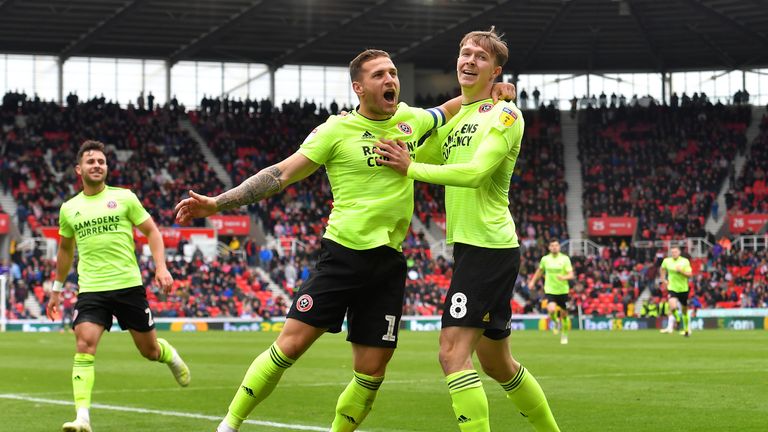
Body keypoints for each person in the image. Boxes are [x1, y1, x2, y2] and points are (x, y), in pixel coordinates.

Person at [174, 49, 515, 432]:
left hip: (388, 263)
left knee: (371, 372)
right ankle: (229, 424)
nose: (390, 81)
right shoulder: (335, 130)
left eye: (392, 73)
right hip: (343, 255)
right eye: (379, 76)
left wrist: (495, 90)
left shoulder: (410, 119)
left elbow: (454, 107)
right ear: (358, 88)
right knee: (291, 345)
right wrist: (219, 203)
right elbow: (280, 174)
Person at [375, 27, 559, 432]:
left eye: (480, 56)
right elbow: (414, 156)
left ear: (496, 71)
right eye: (465, 53)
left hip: (488, 246)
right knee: (499, 364)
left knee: (451, 355)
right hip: (474, 248)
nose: (469, 60)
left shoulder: (506, 113)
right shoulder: (455, 119)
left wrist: (411, 167)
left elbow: (475, 174)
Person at [46, 140, 190, 432]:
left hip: (128, 287)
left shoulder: (125, 198)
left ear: (106, 167)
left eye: (101, 161)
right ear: (79, 169)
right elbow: (64, 251)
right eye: (91, 161)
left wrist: (161, 267)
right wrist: (57, 288)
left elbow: (152, 231)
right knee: (84, 344)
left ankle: (170, 356)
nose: (97, 165)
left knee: (149, 351)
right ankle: (82, 417)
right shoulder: (69, 208)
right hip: (92, 289)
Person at [528, 239, 574, 344]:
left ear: (559, 247)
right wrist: (532, 282)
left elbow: (571, 275)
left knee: (564, 315)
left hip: (563, 290)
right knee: (551, 309)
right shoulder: (545, 259)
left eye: (556, 245)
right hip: (550, 290)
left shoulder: (565, 259)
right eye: (552, 246)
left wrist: (563, 277)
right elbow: (539, 271)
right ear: (549, 247)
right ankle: (556, 322)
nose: (554, 247)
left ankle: (564, 335)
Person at [659, 246, 693, 336]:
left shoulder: (685, 261)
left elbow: (689, 275)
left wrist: (681, 271)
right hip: (672, 288)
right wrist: (663, 279)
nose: (674, 253)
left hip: (683, 289)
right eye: (672, 252)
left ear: (679, 252)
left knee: (684, 310)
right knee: (672, 306)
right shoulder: (667, 261)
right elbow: (662, 269)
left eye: (675, 252)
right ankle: (677, 319)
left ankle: (686, 330)